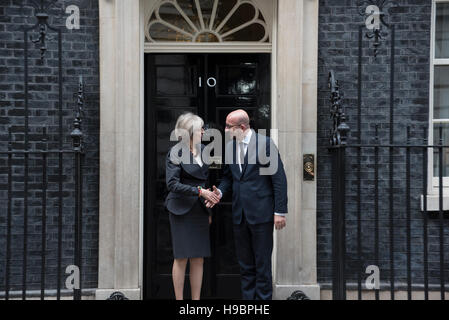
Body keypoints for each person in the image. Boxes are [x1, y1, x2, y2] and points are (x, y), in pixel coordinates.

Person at [206, 109, 288, 300]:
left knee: (262, 265)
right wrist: (219, 192)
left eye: (228, 126)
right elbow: (228, 178)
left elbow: (279, 180)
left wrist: (280, 211)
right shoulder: (229, 147)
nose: (225, 130)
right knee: (245, 266)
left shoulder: (265, 144)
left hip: (262, 215)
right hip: (239, 215)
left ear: (242, 127)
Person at [165, 112, 220, 300]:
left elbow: (206, 181)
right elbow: (172, 184)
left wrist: (210, 202)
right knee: (181, 258)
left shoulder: (204, 150)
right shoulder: (176, 152)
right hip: (181, 210)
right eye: (200, 129)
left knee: (198, 257)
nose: (204, 132)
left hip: (200, 211)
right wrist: (199, 191)